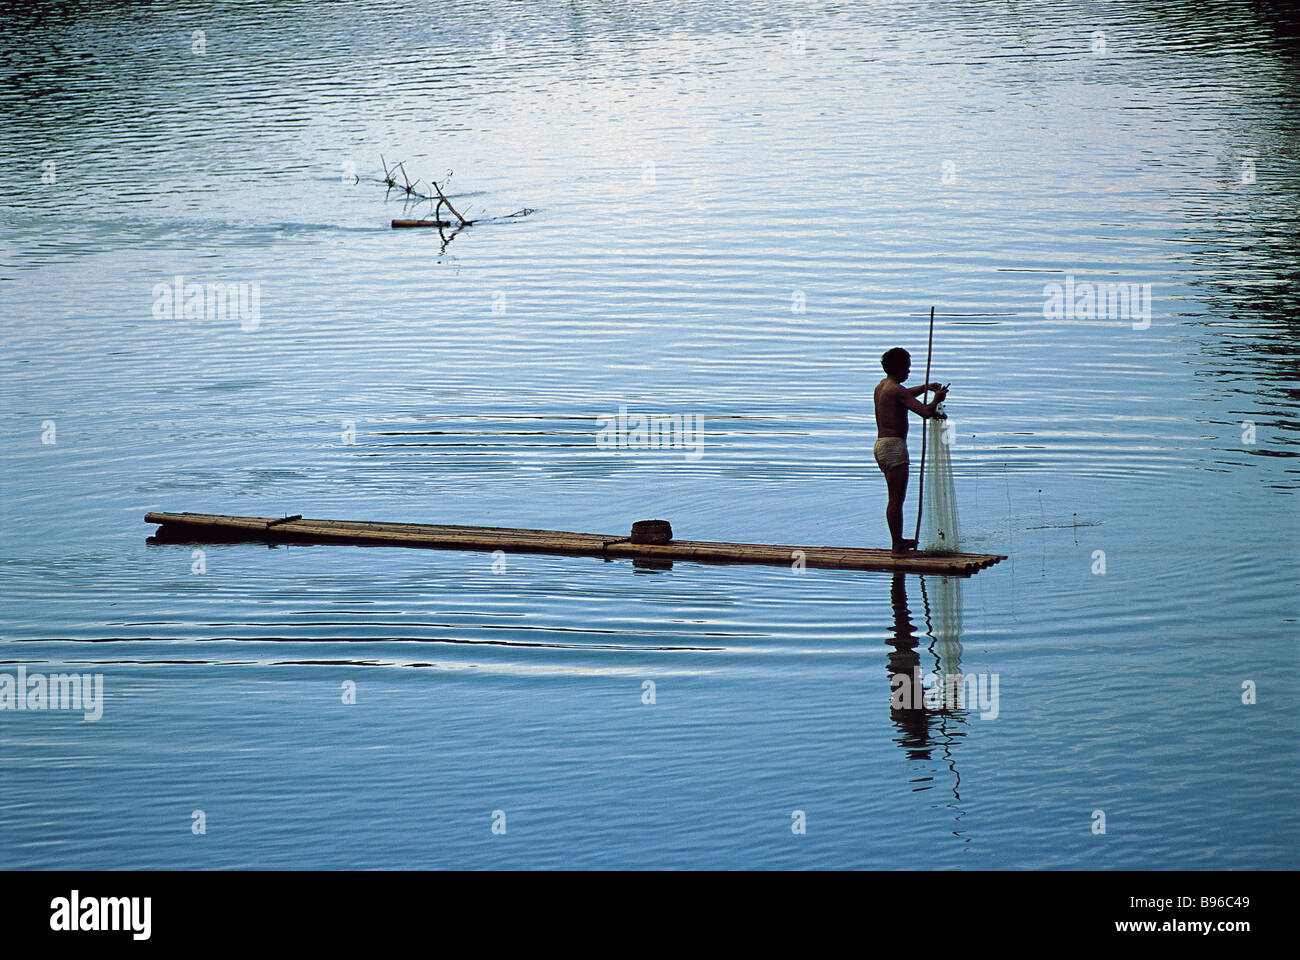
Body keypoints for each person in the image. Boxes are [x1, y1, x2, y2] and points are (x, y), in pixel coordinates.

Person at [873, 347, 948, 555]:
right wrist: (937, 399)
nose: (909, 371)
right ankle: (897, 546)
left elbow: (904, 396)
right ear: (898, 368)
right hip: (894, 448)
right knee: (896, 499)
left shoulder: (882, 386)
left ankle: (898, 541)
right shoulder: (895, 390)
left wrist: (925, 388)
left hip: (881, 446)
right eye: (906, 368)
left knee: (894, 498)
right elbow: (924, 412)